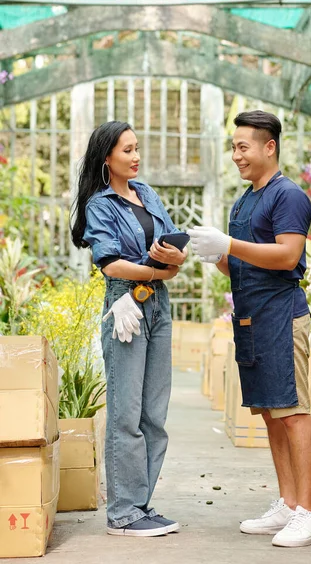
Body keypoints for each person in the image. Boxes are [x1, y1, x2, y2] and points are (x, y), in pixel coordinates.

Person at [188, 110, 311, 548]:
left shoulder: (289, 196)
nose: (236, 156)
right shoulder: (244, 200)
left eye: (243, 146)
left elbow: (286, 256)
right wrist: (212, 254)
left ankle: (310, 513)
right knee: (270, 412)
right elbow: (240, 266)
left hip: (282, 316)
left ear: (269, 147)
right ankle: (287, 504)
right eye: (233, 147)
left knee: (294, 411)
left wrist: (228, 244)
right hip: (250, 318)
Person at [71, 121, 187, 537]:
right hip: (126, 303)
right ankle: (122, 512)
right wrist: (158, 270)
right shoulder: (99, 205)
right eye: (127, 151)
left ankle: (141, 504)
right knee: (126, 413)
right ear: (107, 158)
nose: (136, 157)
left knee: (154, 412)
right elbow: (110, 264)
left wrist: (172, 259)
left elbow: (175, 255)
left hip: (158, 306)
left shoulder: (148, 194)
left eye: (137, 149)